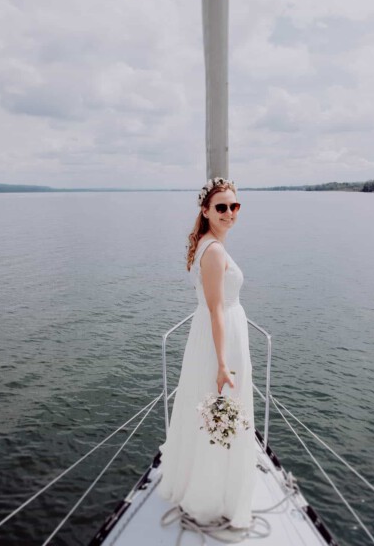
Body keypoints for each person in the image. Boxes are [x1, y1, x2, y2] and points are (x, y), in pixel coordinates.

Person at [157, 177, 257, 529]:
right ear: (205, 211)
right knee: (223, 411)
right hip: (221, 338)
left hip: (213, 335)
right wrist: (223, 364)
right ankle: (211, 496)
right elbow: (216, 308)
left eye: (234, 206)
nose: (230, 212)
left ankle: (214, 482)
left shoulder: (208, 242)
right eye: (221, 207)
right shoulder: (213, 251)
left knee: (212, 414)